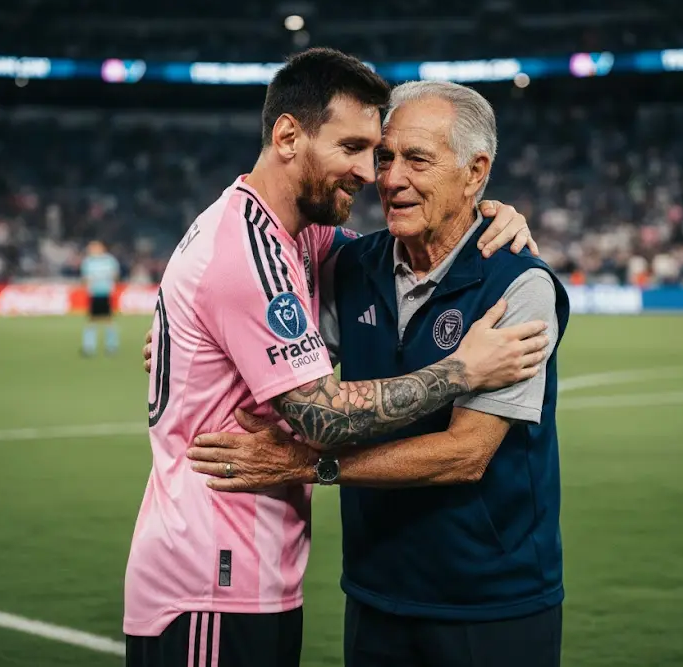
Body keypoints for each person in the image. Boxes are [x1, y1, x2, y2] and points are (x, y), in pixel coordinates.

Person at [126, 49, 549, 667]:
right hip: (211, 571)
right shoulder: (249, 248)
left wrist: (490, 208)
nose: (371, 174)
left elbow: (404, 247)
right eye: (357, 149)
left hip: (259, 571)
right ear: (288, 135)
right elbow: (322, 417)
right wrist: (463, 369)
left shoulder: (309, 238)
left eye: (382, 153)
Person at [80, 240, 121, 356]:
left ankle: (112, 346)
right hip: (94, 294)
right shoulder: (88, 261)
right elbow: (84, 279)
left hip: (106, 293)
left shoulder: (109, 260)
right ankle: (89, 347)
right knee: (91, 320)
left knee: (109, 320)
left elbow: (116, 275)